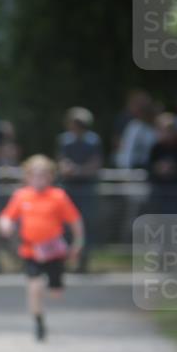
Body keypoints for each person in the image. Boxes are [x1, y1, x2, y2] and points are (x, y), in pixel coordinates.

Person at [0, 155, 83, 342]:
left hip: (53, 251)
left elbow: (75, 221)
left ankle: (54, 283)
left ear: (50, 176)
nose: (39, 179)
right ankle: (38, 322)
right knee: (34, 286)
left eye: (43, 174)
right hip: (31, 251)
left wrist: (78, 243)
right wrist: (5, 225)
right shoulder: (21, 196)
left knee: (55, 292)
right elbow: (6, 217)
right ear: (27, 176)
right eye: (34, 174)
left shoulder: (58, 196)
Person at [56, 107, 103, 273]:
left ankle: (83, 260)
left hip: (86, 189)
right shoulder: (64, 140)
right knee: (66, 225)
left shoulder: (93, 140)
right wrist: (67, 169)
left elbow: (95, 164)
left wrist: (79, 171)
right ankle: (65, 259)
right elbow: (61, 161)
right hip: (68, 188)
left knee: (85, 224)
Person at [145, 113, 177, 215]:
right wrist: (158, 168)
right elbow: (149, 168)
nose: (167, 133)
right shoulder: (156, 148)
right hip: (159, 196)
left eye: (170, 129)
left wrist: (174, 168)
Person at [113, 90, 156, 169]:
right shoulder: (133, 125)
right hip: (129, 165)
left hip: (147, 165)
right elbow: (125, 147)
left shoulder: (155, 125)